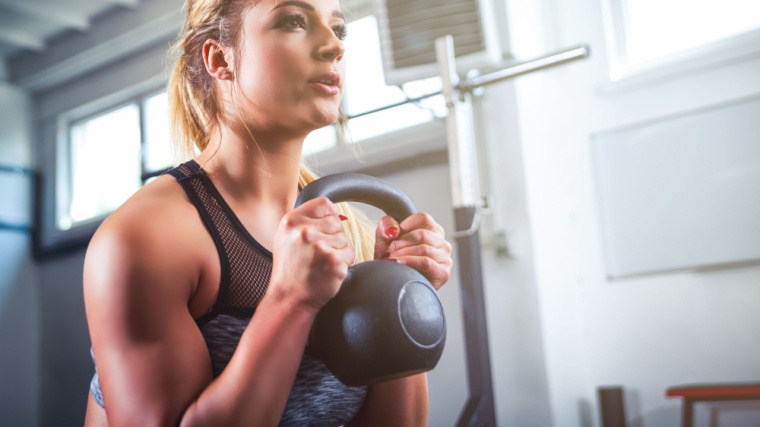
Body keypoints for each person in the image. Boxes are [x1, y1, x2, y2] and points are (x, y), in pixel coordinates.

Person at [83, 0, 453, 425]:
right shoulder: (144, 238)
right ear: (220, 58)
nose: (334, 45)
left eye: (339, 29)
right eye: (294, 20)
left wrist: (398, 295)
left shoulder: (351, 232)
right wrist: (290, 300)